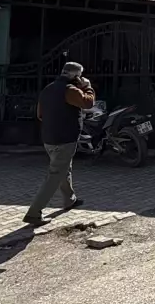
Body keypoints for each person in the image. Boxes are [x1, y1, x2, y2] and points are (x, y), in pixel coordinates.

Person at [24, 61, 96, 226]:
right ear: (76, 76)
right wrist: (88, 86)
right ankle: (34, 212)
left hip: (49, 139)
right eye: (81, 76)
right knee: (55, 175)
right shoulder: (70, 90)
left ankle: (70, 199)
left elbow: (40, 114)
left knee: (64, 168)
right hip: (65, 139)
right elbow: (88, 103)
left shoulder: (48, 89)